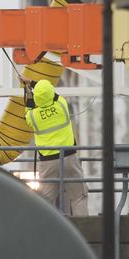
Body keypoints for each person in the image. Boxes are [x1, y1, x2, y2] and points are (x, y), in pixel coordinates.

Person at [25, 78, 89, 216]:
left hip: (48, 162)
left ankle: (45, 231)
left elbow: (29, 106)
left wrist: (27, 90)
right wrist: (32, 82)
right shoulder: (62, 105)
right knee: (79, 196)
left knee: (45, 201)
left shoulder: (33, 117)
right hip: (69, 157)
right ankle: (85, 231)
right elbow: (51, 94)